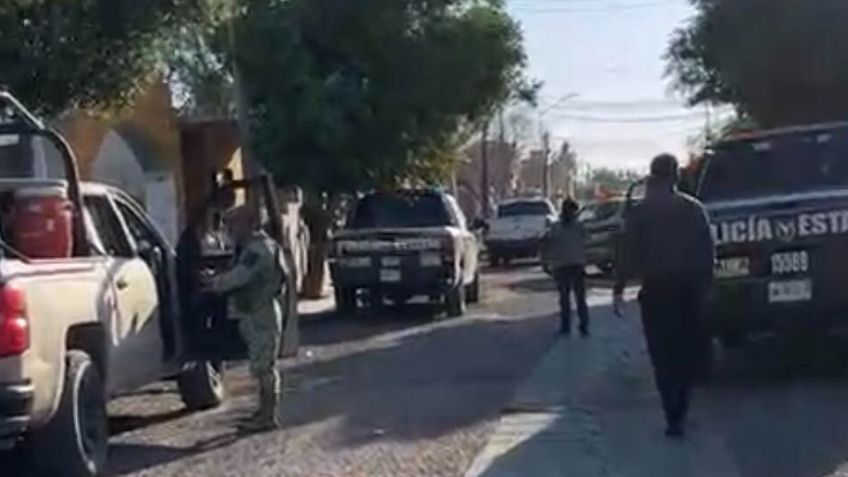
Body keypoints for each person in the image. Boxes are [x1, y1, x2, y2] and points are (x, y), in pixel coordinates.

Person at [613, 153, 715, 439]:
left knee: (662, 354)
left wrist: (619, 288)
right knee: (685, 350)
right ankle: (680, 407)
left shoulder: (639, 213)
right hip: (690, 289)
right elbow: (708, 252)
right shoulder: (693, 209)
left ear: (652, 176)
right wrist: (707, 288)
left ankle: (673, 413)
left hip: (657, 290)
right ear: (676, 176)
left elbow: (627, 254)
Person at [204, 206, 287, 432]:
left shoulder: (258, 250)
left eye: (234, 225)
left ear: (249, 225)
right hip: (255, 312)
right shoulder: (255, 247)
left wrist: (213, 284)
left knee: (264, 367)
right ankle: (263, 413)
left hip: (261, 313)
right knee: (261, 366)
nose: (230, 230)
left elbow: (240, 277)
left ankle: (268, 416)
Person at [542, 198, 590, 337]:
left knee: (571, 298)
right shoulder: (572, 227)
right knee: (572, 298)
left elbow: (546, 244)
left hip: (568, 265)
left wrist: (546, 262)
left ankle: (574, 325)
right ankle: (576, 325)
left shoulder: (571, 227)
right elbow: (546, 243)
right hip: (567, 265)